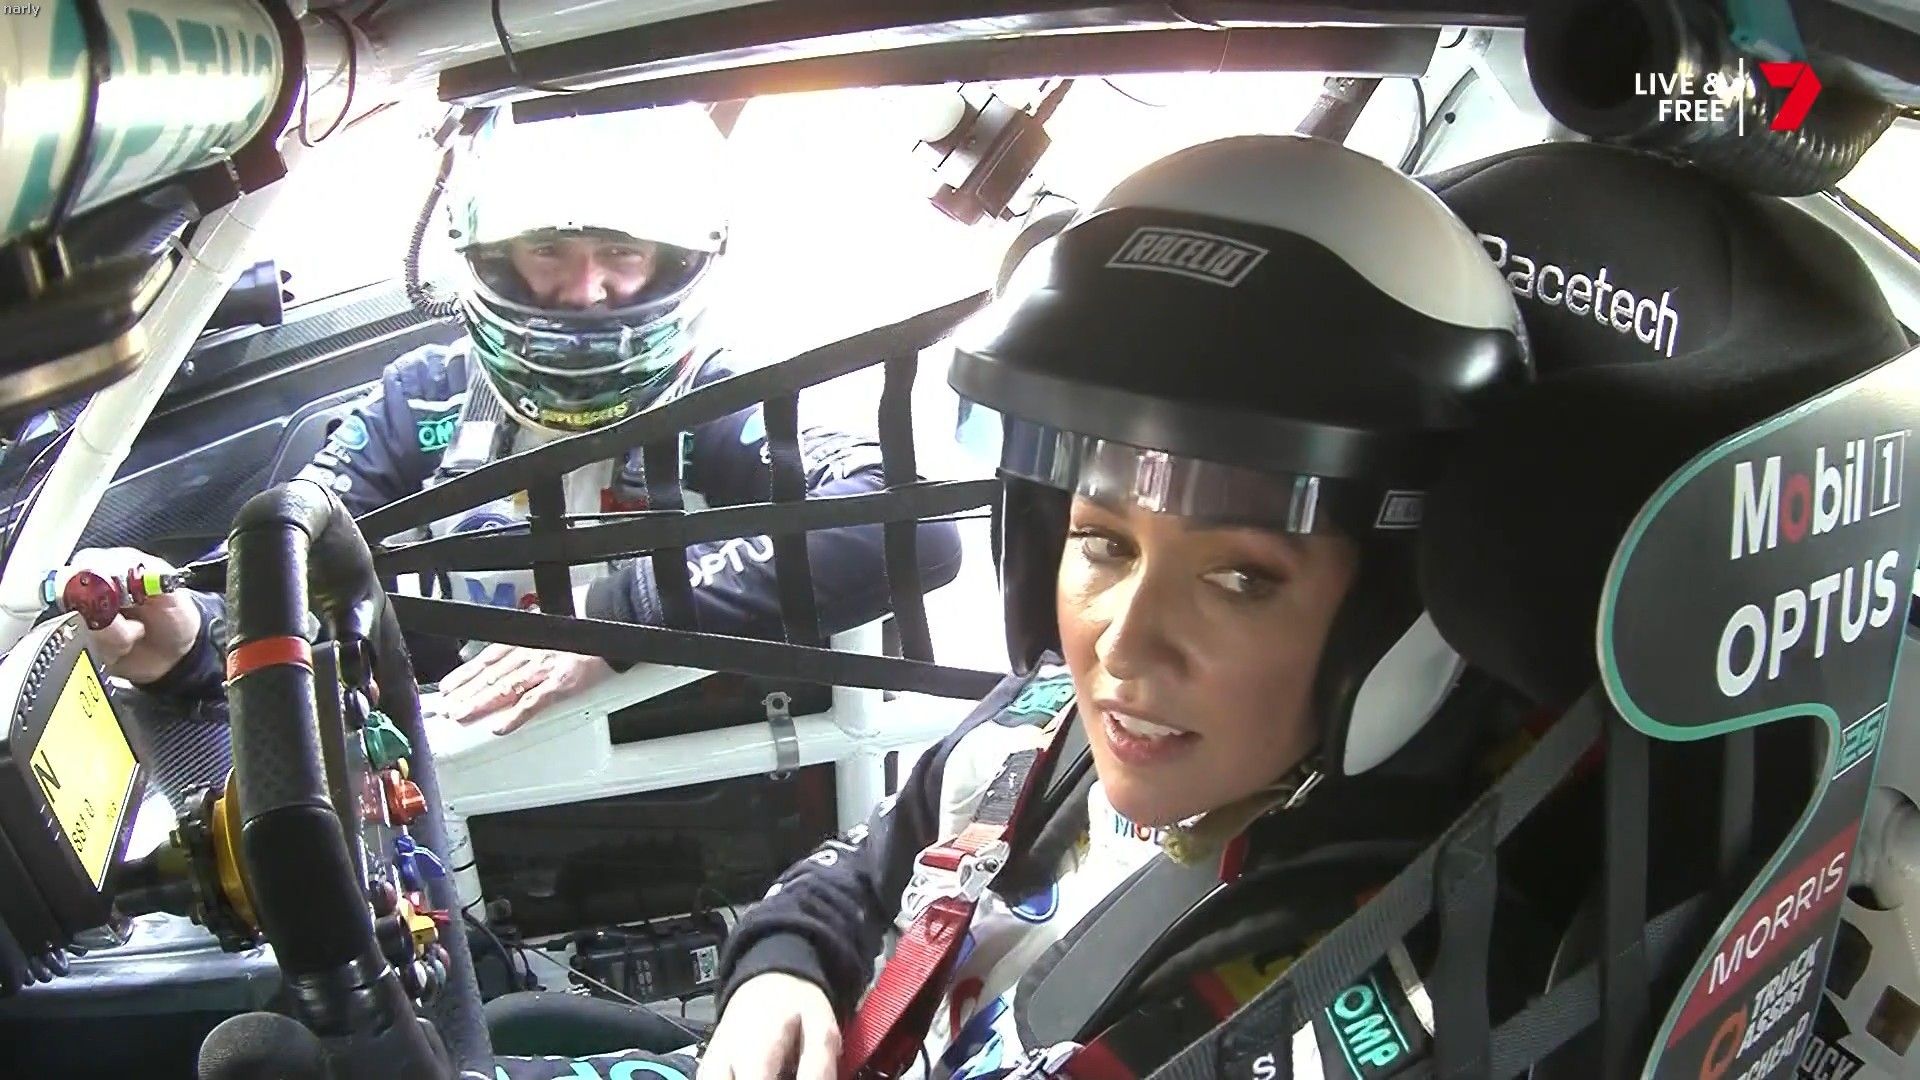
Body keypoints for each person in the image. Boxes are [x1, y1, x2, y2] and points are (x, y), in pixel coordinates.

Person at [471, 134, 1539, 1080]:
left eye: (1241, 579)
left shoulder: (1380, 976)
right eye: (1104, 544)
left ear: (1387, 614)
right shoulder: (1039, 733)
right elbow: (862, 869)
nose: (1125, 646)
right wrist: (783, 971)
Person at [67, 104, 965, 734]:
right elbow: (287, 575)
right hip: (459, 793)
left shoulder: (723, 399)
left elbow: (910, 518)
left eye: (620, 251)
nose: (585, 290)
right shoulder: (420, 397)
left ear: (675, 260)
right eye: (549, 250)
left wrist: (621, 619)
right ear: (493, 256)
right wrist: (191, 642)